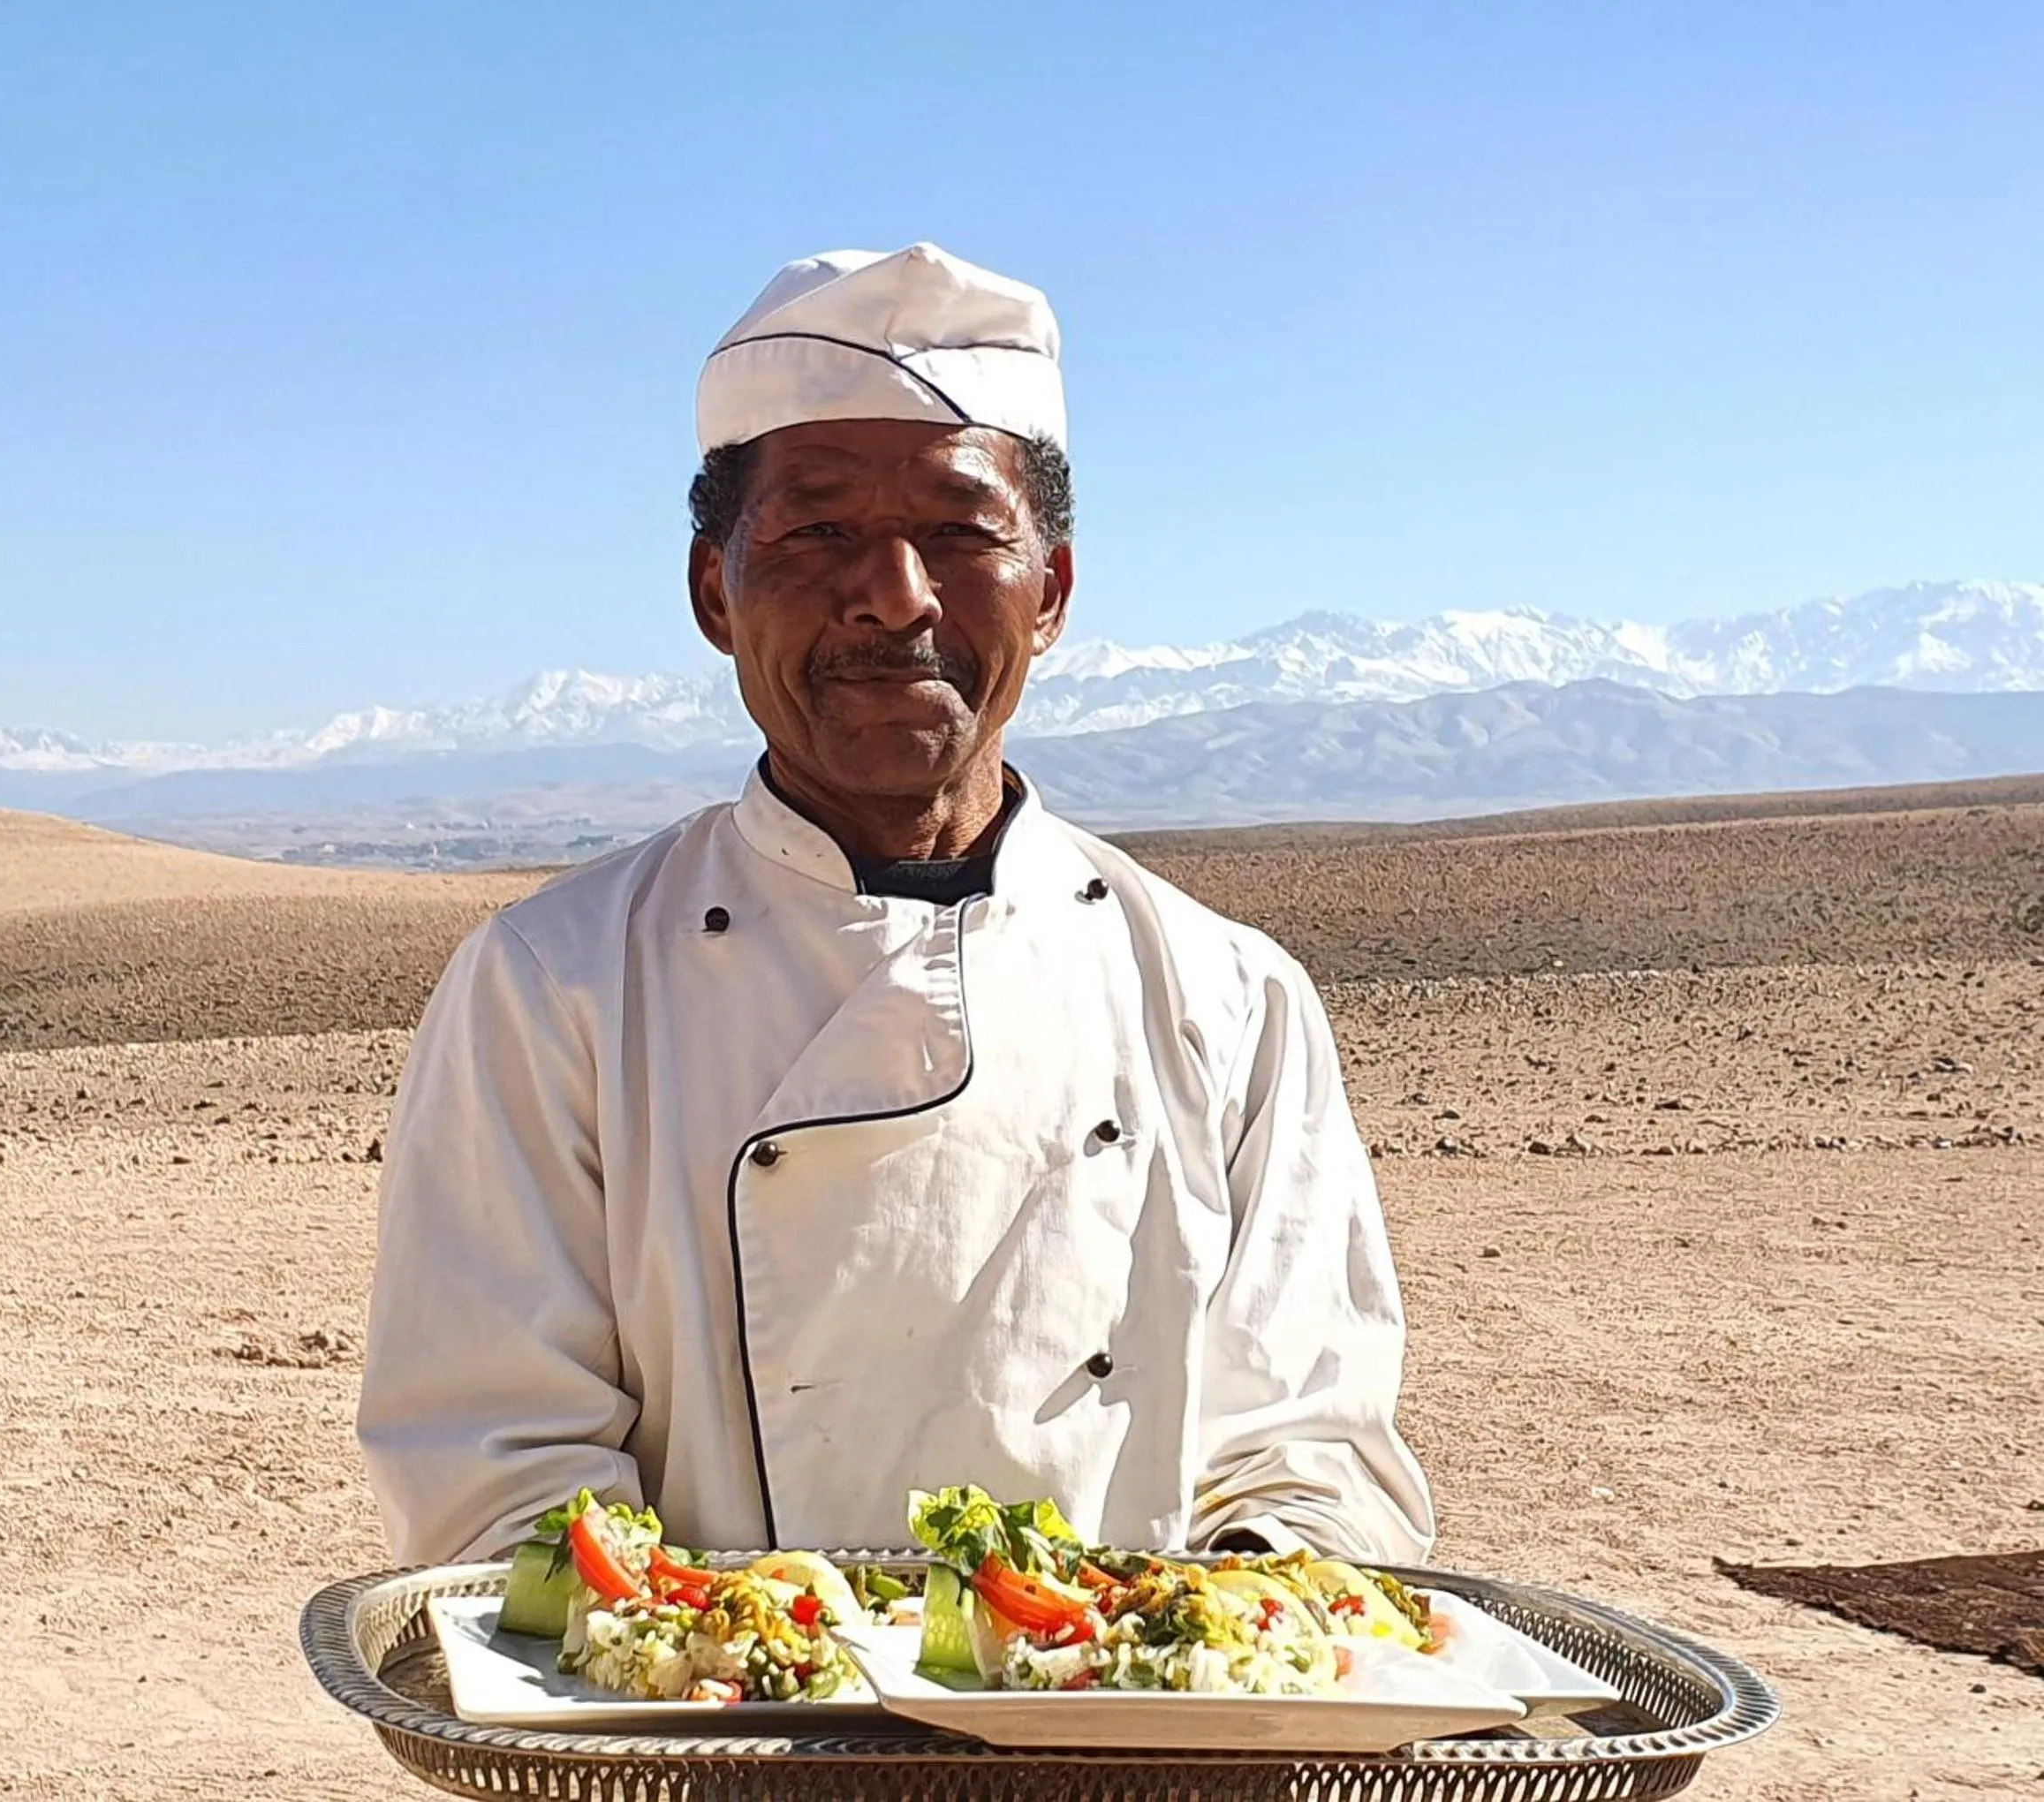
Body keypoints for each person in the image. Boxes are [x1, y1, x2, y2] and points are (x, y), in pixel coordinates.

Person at [357, 242, 1435, 1565]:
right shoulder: (556, 985)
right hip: (712, 1755)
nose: (895, 596)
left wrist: (1211, 1641)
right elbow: (492, 1467)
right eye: (818, 532)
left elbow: (1312, 1444)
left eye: (960, 533)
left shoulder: (1227, 995)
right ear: (713, 589)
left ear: (1050, 593)